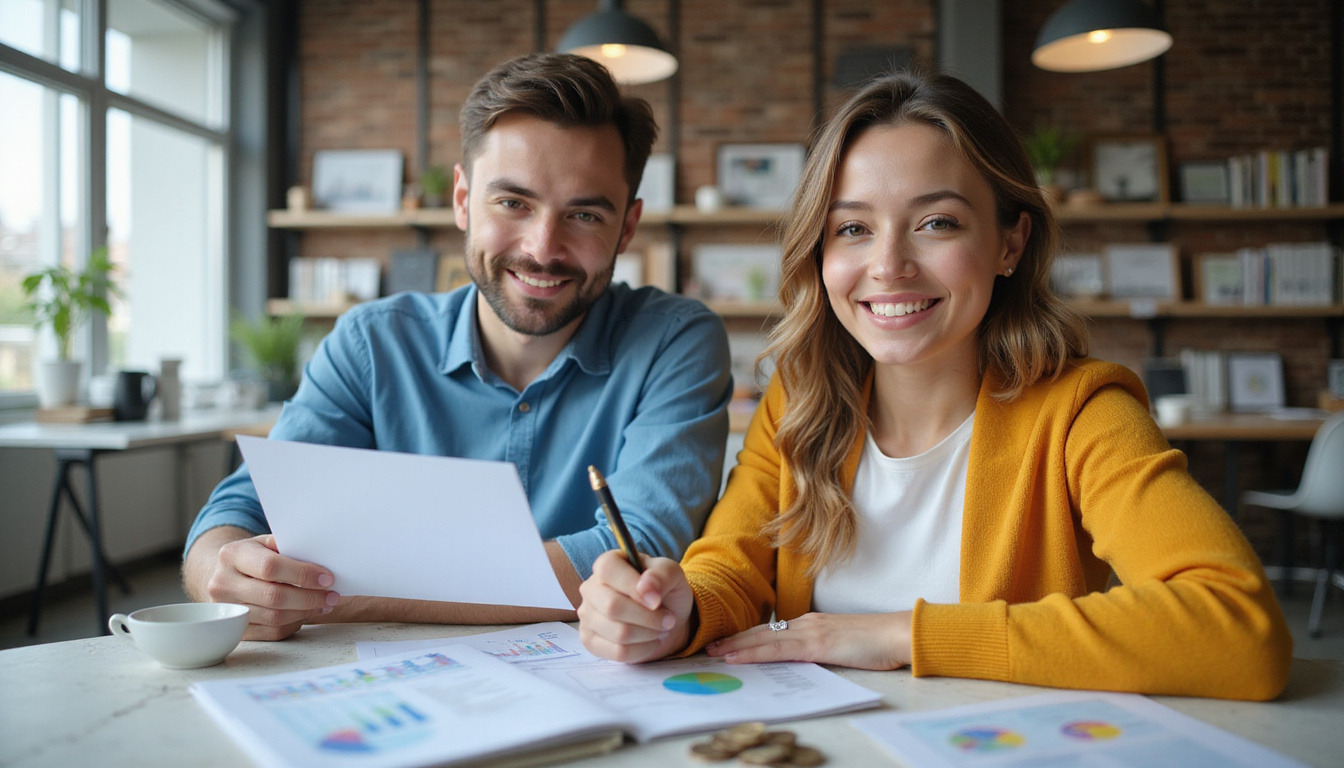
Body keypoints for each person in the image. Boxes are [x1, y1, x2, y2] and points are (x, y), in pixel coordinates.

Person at [577, 71, 1293, 701]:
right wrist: (676, 609)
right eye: (852, 228)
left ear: (1010, 242)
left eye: (936, 223)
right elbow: (730, 566)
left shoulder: (1083, 413)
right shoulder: (802, 401)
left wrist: (896, 636)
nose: (888, 265)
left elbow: (1238, 628)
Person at [183, 52, 732, 641]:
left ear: (627, 226)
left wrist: (339, 595)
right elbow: (241, 515)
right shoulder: (372, 341)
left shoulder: (675, 339)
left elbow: (636, 554)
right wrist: (231, 573)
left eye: (585, 214)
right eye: (513, 203)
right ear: (463, 200)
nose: (543, 248)